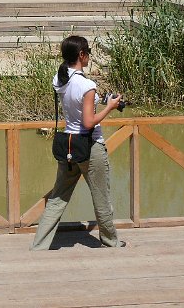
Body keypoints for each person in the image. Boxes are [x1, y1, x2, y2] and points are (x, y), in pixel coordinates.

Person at [30, 35, 124, 250]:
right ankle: (111, 241)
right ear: (81, 55)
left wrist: (100, 99)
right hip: (90, 147)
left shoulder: (60, 79)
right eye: (88, 51)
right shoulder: (86, 85)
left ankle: (39, 244)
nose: (89, 55)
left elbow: (77, 100)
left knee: (57, 198)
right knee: (101, 198)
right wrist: (109, 107)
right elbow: (89, 121)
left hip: (68, 146)